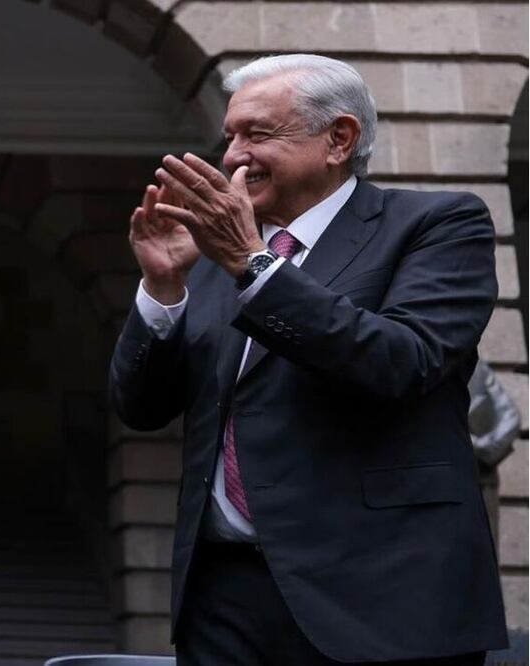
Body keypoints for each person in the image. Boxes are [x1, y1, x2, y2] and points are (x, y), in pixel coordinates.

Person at [109, 54, 507, 665]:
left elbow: (402, 361)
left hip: (382, 598)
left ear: (338, 139)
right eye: (231, 136)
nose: (234, 155)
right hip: (225, 601)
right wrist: (163, 290)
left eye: (258, 134)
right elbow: (141, 409)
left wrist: (250, 264)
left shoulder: (436, 225)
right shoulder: (219, 256)